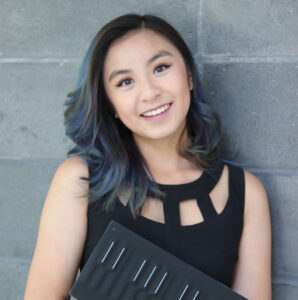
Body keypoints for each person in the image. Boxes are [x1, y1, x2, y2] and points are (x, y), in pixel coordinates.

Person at [24, 13, 272, 299]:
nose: (149, 92)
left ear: (189, 75)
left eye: (161, 67)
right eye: (125, 82)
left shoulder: (246, 193)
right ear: (111, 104)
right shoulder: (79, 180)